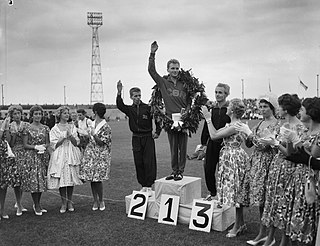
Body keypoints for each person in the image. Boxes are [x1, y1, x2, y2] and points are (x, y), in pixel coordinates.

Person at [258, 94, 304, 246]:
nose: (277, 108)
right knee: (272, 202)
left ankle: (283, 241)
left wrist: (276, 143)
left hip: (289, 169)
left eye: (279, 106)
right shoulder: (282, 125)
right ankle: (270, 237)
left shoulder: (298, 127)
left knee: (284, 205)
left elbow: (292, 155)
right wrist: (272, 141)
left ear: (285, 109)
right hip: (276, 166)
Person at [235, 94, 280, 246]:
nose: (262, 109)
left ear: (272, 108)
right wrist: (244, 135)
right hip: (256, 163)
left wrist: (249, 133)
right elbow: (250, 145)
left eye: (265, 107)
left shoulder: (276, 125)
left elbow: (263, 145)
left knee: (266, 200)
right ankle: (263, 233)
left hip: (268, 164)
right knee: (261, 200)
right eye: (260, 107)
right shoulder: (260, 123)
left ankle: (266, 234)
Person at [202, 98, 248, 238]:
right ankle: (240, 224)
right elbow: (217, 132)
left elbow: (214, 135)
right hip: (231, 157)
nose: (226, 108)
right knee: (235, 192)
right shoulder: (233, 124)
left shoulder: (235, 126)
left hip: (233, 158)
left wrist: (208, 119)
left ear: (232, 110)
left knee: (236, 192)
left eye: (229, 107)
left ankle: (238, 225)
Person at [148, 41, 191, 181]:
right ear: (167, 70)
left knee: (182, 147)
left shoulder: (185, 84)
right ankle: (174, 171)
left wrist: (188, 111)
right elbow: (151, 71)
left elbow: (191, 100)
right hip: (170, 119)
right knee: (173, 147)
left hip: (184, 120)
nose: (175, 70)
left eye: (177, 68)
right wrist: (152, 54)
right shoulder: (163, 83)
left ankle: (181, 171)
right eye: (172, 68)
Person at [283, 97, 320, 245]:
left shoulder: (318, 134)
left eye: (302, 110)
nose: (300, 112)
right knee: (295, 220)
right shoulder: (306, 130)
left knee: (308, 220)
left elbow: (312, 158)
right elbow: (292, 155)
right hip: (298, 177)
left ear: (310, 113)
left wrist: (297, 141)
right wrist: (289, 140)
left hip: (311, 180)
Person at [116, 80, 161, 196]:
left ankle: (149, 185)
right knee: (139, 162)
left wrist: (158, 131)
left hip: (147, 137)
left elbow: (157, 118)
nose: (138, 98)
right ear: (131, 97)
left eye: (139, 95)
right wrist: (119, 92)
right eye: (135, 96)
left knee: (149, 161)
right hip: (136, 138)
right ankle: (143, 185)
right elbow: (119, 105)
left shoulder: (147, 107)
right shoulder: (129, 110)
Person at [47, 106, 83, 213]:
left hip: (71, 153)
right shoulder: (54, 128)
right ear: (59, 115)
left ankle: (70, 201)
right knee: (62, 179)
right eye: (65, 113)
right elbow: (53, 144)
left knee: (70, 179)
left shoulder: (72, 127)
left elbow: (76, 142)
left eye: (68, 113)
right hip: (60, 155)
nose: (67, 115)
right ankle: (63, 202)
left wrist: (70, 136)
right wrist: (62, 138)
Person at [79, 103, 112, 211]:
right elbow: (87, 140)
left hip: (100, 155)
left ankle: (101, 200)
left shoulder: (106, 126)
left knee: (98, 179)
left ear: (95, 112)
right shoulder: (92, 124)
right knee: (92, 179)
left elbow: (102, 143)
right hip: (91, 153)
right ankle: (95, 200)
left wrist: (93, 134)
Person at [201, 83, 230, 201]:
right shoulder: (211, 110)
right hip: (212, 144)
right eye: (216, 92)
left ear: (226, 94)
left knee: (224, 172)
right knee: (208, 169)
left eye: (220, 92)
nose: (218, 95)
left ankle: (224, 195)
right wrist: (203, 143)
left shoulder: (229, 110)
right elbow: (206, 127)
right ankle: (213, 194)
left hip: (225, 144)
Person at [21, 105, 50, 216]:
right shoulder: (27, 128)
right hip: (32, 156)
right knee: (34, 180)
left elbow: (48, 142)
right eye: (36, 114)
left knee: (41, 181)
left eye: (39, 114)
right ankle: (36, 204)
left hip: (42, 156)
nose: (38, 116)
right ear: (32, 115)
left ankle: (38, 203)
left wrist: (44, 146)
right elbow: (25, 144)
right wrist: (35, 147)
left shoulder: (46, 128)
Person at [7, 105, 29, 216]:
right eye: (14, 114)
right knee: (16, 180)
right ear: (11, 115)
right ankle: (19, 206)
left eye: (19, 113)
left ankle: (18, 202)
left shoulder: (26, 125)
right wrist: (14, 134)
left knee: (22, 179)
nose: (17, 116)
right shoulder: (10, 126)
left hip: (25, 154)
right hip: (14, 153)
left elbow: (28, 140)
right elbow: (10, 143)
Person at [0, 116, 14, 220]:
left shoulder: (3, 122)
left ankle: (2, 210)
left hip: (3, 157)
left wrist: (7, 128)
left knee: (3, 186)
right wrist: (2, 128)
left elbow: (8, 140)